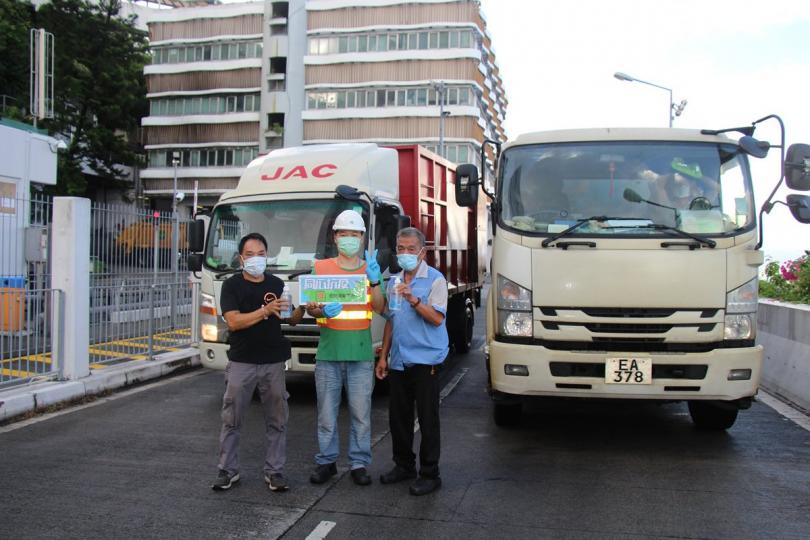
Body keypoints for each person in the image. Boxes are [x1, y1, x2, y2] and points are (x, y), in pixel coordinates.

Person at [212, 232, 305, 493]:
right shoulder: (232, 286)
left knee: (277, 419)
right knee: (232, 418)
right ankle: (227, 470)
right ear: (241, 259)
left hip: (273, 362)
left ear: (267, 256)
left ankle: (275, 471)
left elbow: (290, 319)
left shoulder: (276, 283)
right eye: (250, 254)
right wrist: (265, 311)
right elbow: (233, 321)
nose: (256, 259)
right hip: (242, 361)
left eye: (261, 254)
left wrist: (304, 307)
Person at [306, 209, 385, 486]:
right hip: (329, 353)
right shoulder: (321, 268)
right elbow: (311, 309)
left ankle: (359, 463)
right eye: (343, 234)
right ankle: (326, 462)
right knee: (326, 415)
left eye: (354, 234)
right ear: (335, 237)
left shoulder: (370, 269)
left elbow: (380, 307)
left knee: (361, 415)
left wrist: (375, 281)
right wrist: (320, 310)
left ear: (362, 238)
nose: (349, 239)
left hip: (361, 354)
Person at [376, 227, 449, 496]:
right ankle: (403, 465)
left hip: (426, 359)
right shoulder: (394, 280)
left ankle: (430, 473)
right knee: (399, 418)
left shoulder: (435, 280)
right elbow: (391, 320)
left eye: (410, 249)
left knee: (428, 419)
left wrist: (413, 299)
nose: (405, 253)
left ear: (422, 252)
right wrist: (383, 356)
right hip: (399, 359)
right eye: (400, 249)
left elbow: (437, 318)